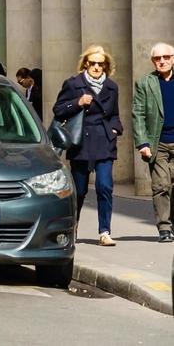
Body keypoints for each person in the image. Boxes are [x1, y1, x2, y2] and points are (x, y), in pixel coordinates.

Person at [53, 45, 125, 246]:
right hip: (81, 141)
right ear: (85, 63)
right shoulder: (73, 84)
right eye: (92, 63)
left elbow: (114, 114)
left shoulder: (112, 87)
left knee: (105, 186)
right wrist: (78, 102)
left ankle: (105, 231)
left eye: (100, 64)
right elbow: (58, 110)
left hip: (104, 140)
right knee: (80, 190)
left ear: (106, 66)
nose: (95, 67)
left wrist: (115, 129)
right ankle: (72, 227)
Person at [131, 41, 174, 243]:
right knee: (161, 186)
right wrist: (142, 143)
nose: (162, 61)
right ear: (153, 61)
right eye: (158, 58)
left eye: (166, 57)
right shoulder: (145, 83)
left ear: (173, 59)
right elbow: (138, 114)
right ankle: (164, 228)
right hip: (159, 143)